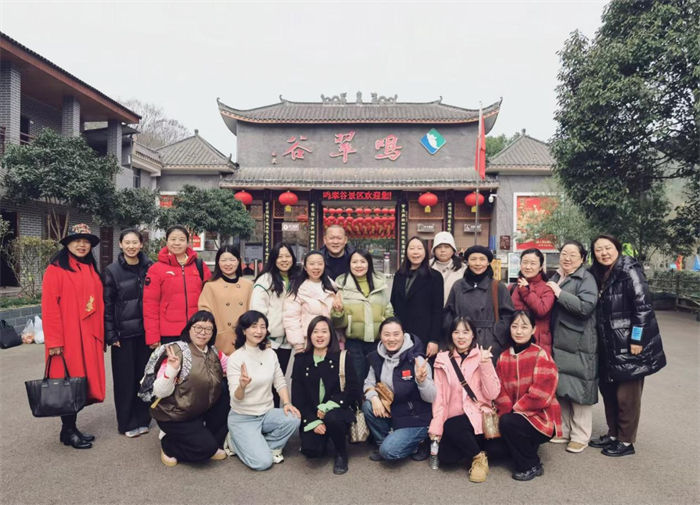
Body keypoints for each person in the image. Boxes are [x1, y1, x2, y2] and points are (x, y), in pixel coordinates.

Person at [588, 234, 666, 457]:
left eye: (608, 248)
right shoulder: (599, 273)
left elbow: (643, 307)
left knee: (627, 396)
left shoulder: (629, 270)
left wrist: (636, 339)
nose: (604, 253)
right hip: (608, 344)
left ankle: (626, 441)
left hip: (629, 344)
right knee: (609, 392)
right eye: (599, 249)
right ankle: (613, 434)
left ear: (617, 248)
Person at [41, 224, 105, 449]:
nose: (82, 245)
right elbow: (49, 308)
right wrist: (54, 341)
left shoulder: (90, 268)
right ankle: (68, 430)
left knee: (81, 382)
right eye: (77, 240)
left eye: (86, 241)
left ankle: (70, 429)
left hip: (88, 335)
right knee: (68, 382)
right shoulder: (56, 270)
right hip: (67, 338)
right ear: (67, 243)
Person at [151, 311, 229, 466]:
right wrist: (171, 370)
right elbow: (159, 391)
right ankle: (168, 445)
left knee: (225, 390)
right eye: (198, 327)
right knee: (206, 449)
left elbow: (235, 367)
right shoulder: (177, 351)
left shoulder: (214, 352)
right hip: (174, 414)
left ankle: (208, 440)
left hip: (196, 410)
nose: (203, 333)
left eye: (208, 329)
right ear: (189, 328)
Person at [227, 311, 301, 471]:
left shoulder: (270, 354)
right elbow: (235, 398)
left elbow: (280, 382)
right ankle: (233, 441)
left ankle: (264, 445)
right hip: (243, 417)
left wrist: (287, 403)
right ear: (244, 330)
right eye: (254, 327)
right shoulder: (235, 358)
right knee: (262, 463)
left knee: (294, 417)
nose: (259, 331)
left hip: (266, 413)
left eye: (262, 327)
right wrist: (242, 386)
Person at [429, 317, 500, 482]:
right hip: (454, 419)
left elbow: (492, 394)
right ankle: (476, 449)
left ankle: (478, 459)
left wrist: (485, 364)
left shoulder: (482, 356)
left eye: (466, 332)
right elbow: (439, 399)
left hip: (477, 416)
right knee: (446, 458)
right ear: (451, 335)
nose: (461, 336)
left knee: (454, 427)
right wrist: (436, 429)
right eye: (456, 332)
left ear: (473, 335)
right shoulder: (442, 359)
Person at [495, 310, 562, 481]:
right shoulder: (503, 357)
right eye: (515, 326)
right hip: (514, 416)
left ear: (533, 330)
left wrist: (514, 411)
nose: (519, 331)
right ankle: (525, 445)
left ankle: (531, 465)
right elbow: (500, 391)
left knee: (509, 423)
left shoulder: (541, 355)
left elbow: (541, 394)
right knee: (495, 448)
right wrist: (508, 411)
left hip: (541, 417)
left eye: (524, 327)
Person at [545, 240, 598, 453]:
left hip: (579, 343)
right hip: (560, 340)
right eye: (564, 253)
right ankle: (564, 430)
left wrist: (559, 293)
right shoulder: (557, 276)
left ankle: (580, 435)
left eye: (573, 255)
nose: (567, 258)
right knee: (563, 388)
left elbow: (585, 307)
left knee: (580, 389)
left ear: (582, 258)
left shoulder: (586, 278)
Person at [292, 316, 362, 475]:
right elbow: (298, 397)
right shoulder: (301, 360)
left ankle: (341, 453)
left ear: (331, 334)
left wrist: (328, 406)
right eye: (315, 332)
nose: (319, 335)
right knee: (312, 451)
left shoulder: (342, 357)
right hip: (312, 413)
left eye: (324, 331)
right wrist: (313, 421)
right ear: (309, 335)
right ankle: (327, 437)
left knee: (332, 418)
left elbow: (353, 390)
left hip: (337, 410)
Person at [362, 317, 436, 462]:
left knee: (389, 452)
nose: (391, 339)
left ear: (404, 334)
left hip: (415, 418)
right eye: (387, 334)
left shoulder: (417, 360)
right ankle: (385, 443)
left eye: (396, 334)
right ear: (380, 336)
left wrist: (421, 382)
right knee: (368, 406)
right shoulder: (376, 357)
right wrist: (374, 398)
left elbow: (431, 397)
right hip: (394, 412)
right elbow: (368, 383)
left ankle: (420, 441)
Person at [103, 228, 153, 438]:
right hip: (123, 335)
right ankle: (126, 422)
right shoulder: (112, 271)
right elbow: (107, 305)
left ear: (141, 244)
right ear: (121, 244)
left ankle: (143, 418)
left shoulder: (150, 267)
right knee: (125, 380)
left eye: (135, 242)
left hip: (146, 333)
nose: (131, 246)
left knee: (144, 378)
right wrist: (110, 334)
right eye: (127, 243)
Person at [331, 249, 393, 383]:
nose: (359, 265)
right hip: (354, 343)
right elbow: (338, 324)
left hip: (378, 343)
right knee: (356, 380)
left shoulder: (379, 286)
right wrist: (338, 312)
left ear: (369, 264)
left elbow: (388, 312)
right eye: (354, 262)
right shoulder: (343, 288)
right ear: (349, 264)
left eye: (363, 261)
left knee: (377, 380)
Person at [143, 225, 211, 347]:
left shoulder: (199, 266)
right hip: (169, 333)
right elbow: (150, 305)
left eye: (181, 239)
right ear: (166, 241)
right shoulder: (156, 269)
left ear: (188, 242)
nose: (177, 243)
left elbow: (210, 297)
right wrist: (152, 336)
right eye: (173, 239)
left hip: (197, 330)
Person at [445, 245, 514, 364]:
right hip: (462, 342)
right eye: (473, 259)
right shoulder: (458, 286)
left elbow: (508, 316)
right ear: (467, 262)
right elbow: (448, 314)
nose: (478, 263)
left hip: (490, 343)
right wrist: (454, 337)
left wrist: (497, 336)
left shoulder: (498, 287)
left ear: (488, 262)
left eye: (482, 259)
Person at [250, 242, 299, 379]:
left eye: (287, 256)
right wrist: (262, 336)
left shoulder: (297, 278)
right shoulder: (265, 280)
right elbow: (257, 311)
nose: (284, 260)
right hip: (269, 341)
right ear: (273, 259)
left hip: (287, 342)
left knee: (280, 380)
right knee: (266, 380)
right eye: (280, 257)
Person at [390, 237, 444, 357]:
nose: (415, 252)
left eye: (419, 248)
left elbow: (437, 311)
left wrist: (434, 339)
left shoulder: (434, 276)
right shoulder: (399, 275)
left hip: (424, 335)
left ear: (425, 252)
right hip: (401, 335)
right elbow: (393, 304)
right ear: (406, 251)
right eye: (412, 248)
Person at [198, 245, 253, 356]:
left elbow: (253, 312)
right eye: (223, 260)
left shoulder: (248, 285)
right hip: (219, 341)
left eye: (232, 260)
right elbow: (204, 313)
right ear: (218, 262)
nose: (228, 264)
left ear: (238, 261)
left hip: (243, 339)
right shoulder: (210, 286)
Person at [283, 251, 338, 354]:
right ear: (305, 267)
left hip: (330, 341)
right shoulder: (297, 288)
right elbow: (291, 317)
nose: (316, 267)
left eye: (320, 264)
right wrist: (298, 343)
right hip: (307, 342)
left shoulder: (332, 286)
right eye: (312, 264)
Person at [510, 248, 555, 356]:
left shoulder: (547, 288)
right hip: (514, 343)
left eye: (533, 263)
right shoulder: (512, 288)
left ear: (540, 267)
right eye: (525, 262)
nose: (528, 267)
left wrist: (526, 291)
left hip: (538, 344)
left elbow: (542, 310)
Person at [430, 231, 466, 305]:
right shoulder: (426, 266)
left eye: (447, 247)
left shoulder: (463, 269)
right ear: (434, 250)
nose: (443, 250)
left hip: (454, 310)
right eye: (439, 247)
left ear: (453, 250)